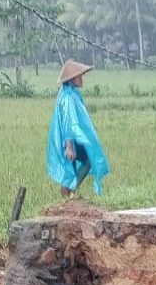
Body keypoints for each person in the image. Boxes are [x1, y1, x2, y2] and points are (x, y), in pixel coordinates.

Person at [46, 59, 109, 199]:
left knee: (73, 167)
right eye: (79, 76)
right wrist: (69, 146)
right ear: (72, 78)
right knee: (86, 161)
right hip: (69, 140)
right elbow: (69, 122)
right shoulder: (68, 97)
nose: (82, 78)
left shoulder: (69, 92)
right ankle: (70, 192)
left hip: (71, 139)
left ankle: (69, 195)